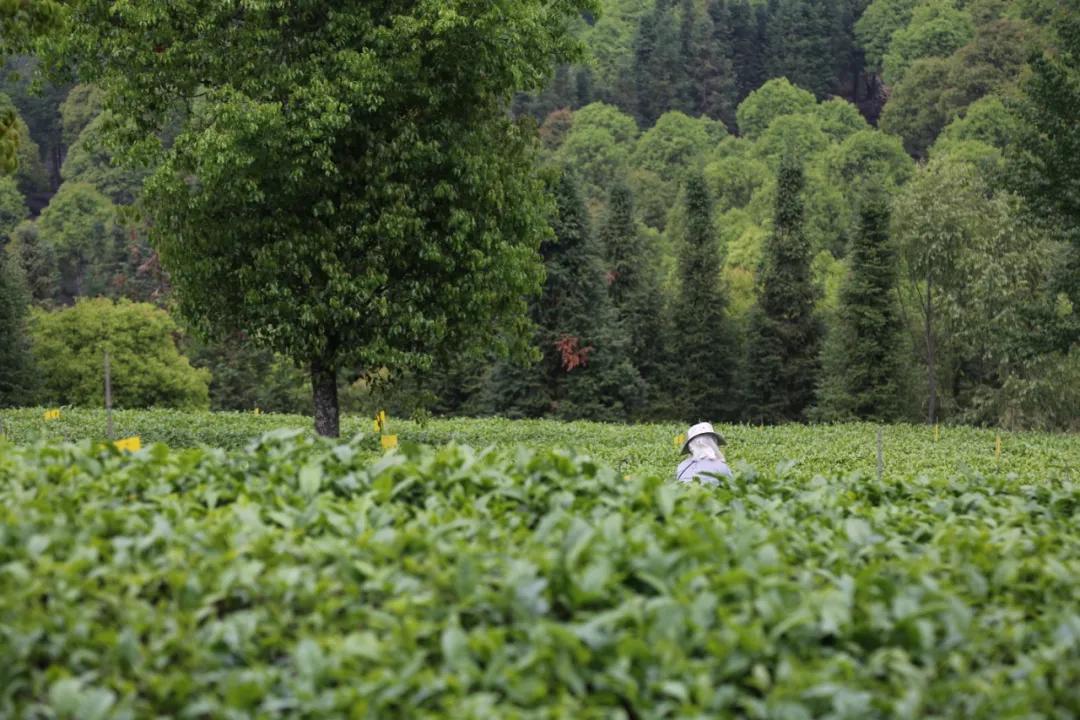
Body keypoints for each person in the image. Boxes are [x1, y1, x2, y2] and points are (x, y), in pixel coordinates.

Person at [675, 422, 733, 487]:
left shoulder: (682, 466)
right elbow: (732, 487)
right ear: (714, 442)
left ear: (690, 446)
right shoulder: (721, 466)